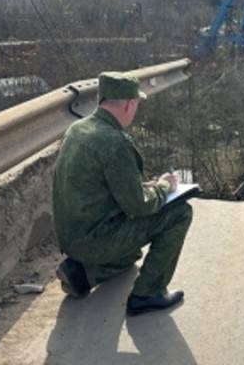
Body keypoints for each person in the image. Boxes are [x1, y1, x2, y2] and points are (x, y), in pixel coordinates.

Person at [52, 72, 193, 316]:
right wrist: (164, 187)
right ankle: (147, 294)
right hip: (95, 238)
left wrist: (143, 186)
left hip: (73, 236)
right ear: (129, 104)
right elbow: (139, 206)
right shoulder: (115, 142)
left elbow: (104, 186)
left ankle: (82, 274)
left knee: (131, 254)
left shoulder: (78, 128)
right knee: (180, 212)